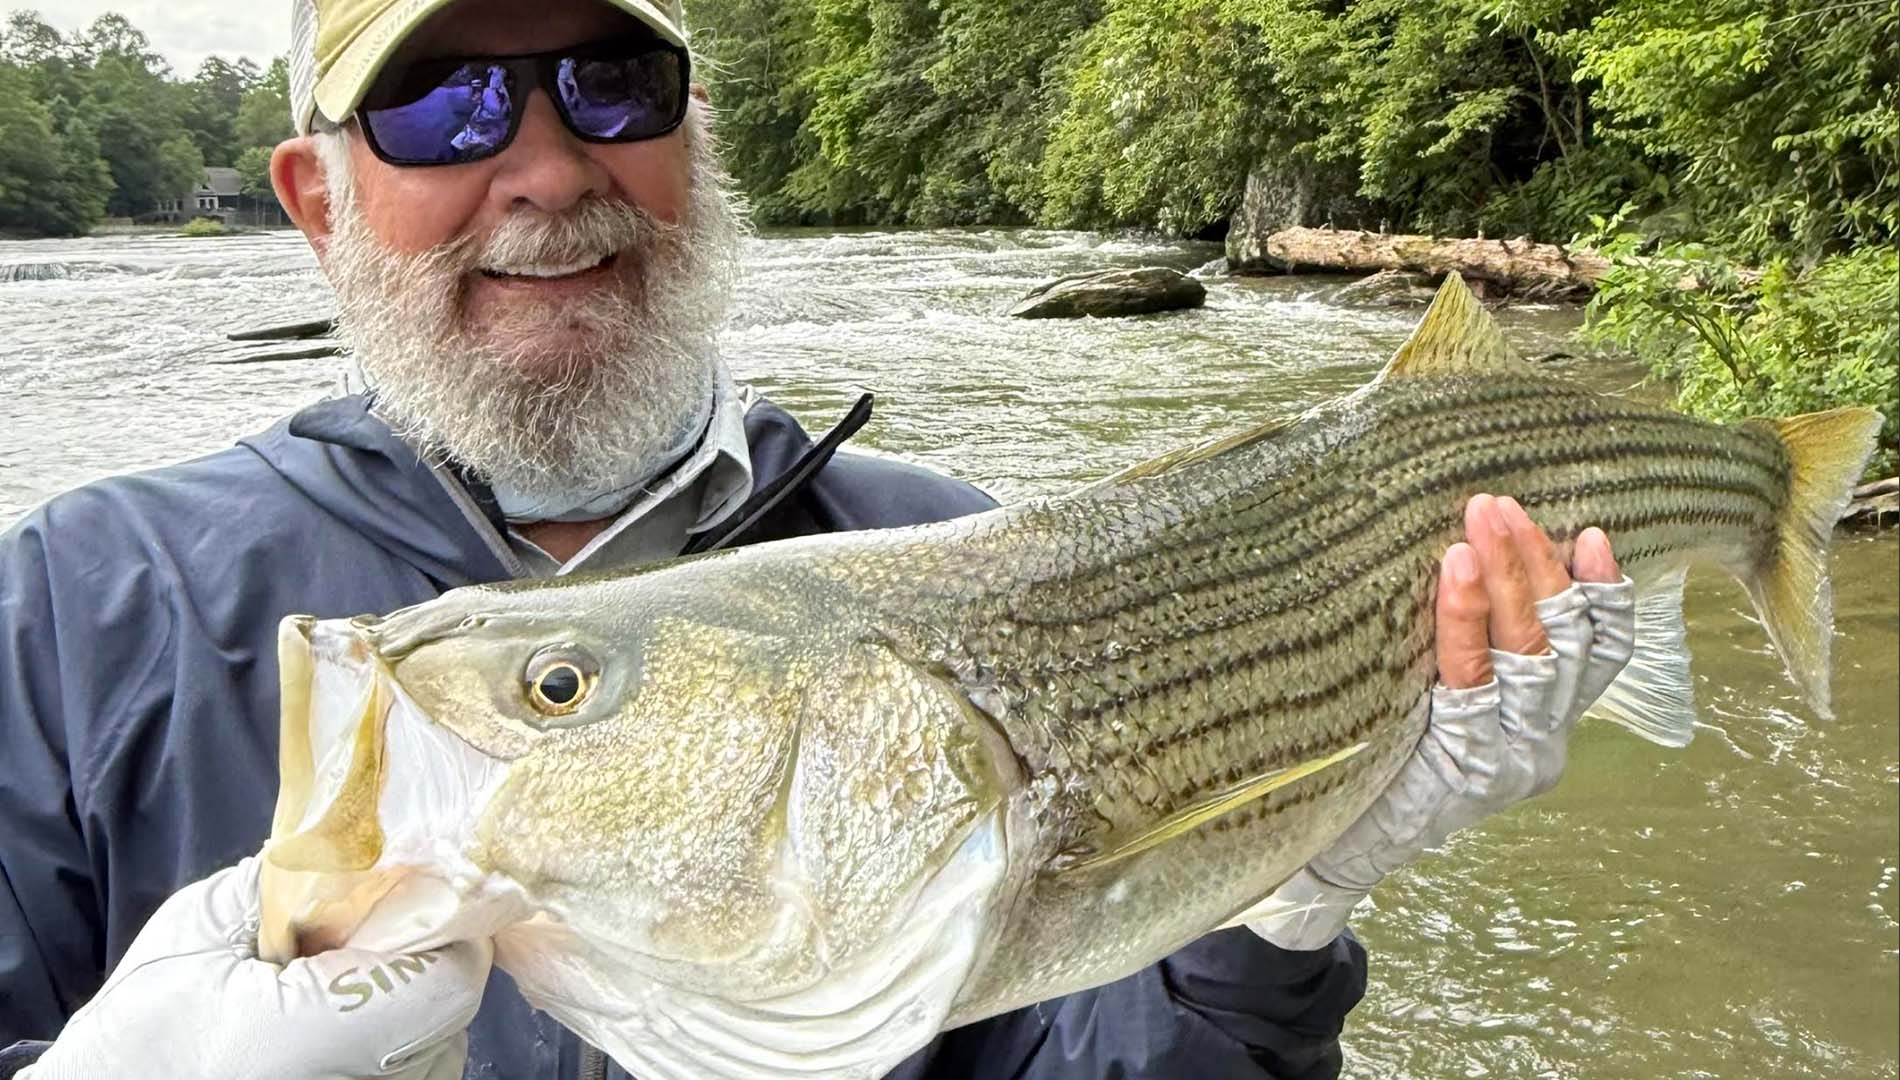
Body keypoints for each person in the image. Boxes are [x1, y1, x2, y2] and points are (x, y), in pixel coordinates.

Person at [0, 0, 1632, 1077]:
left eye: (612, 85)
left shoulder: (956, 555)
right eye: (443, 107)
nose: (547, 169)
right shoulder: (74, 609)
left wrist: (1273, 904)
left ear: (693, 141)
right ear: (316, 198)